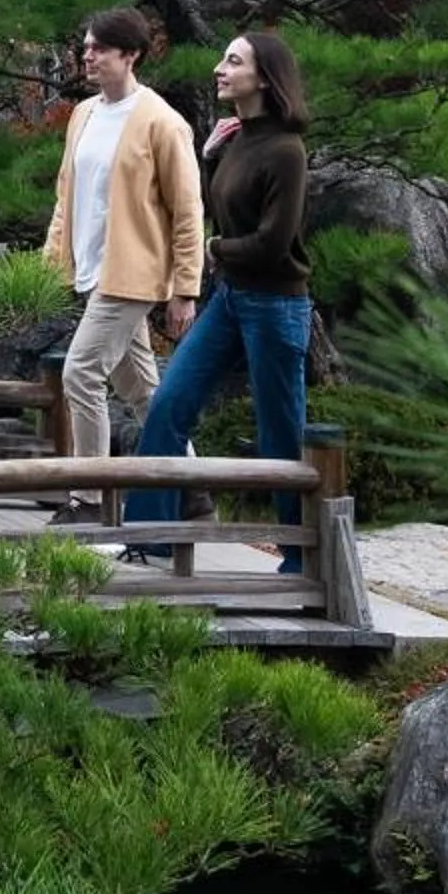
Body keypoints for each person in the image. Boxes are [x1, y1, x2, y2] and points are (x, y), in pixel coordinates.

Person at [123, 31, 314, 573]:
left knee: (280, 433)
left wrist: (213, 249)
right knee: (168, 404)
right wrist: (209, 160)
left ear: (265, 76)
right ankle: (152, 534)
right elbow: (232, 210)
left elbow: (273, 243)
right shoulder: (237, 138)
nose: (218, 69)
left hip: (276, 305)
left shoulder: (286, 150)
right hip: (232, 299)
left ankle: (301, 555)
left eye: (233, 61)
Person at [42, 7, 205, 490]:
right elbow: (65, 195)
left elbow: (187, 210)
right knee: (141, 391)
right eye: (86, 47)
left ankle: (89, 495)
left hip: (134, 275)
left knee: (81, 373)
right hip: (92, 272)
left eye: (99, 48)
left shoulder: (162, 122)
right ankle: (194, 491)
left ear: (130, 55)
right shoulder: (83, 114)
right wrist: (49, 264)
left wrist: (185, 288)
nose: (87, 56)